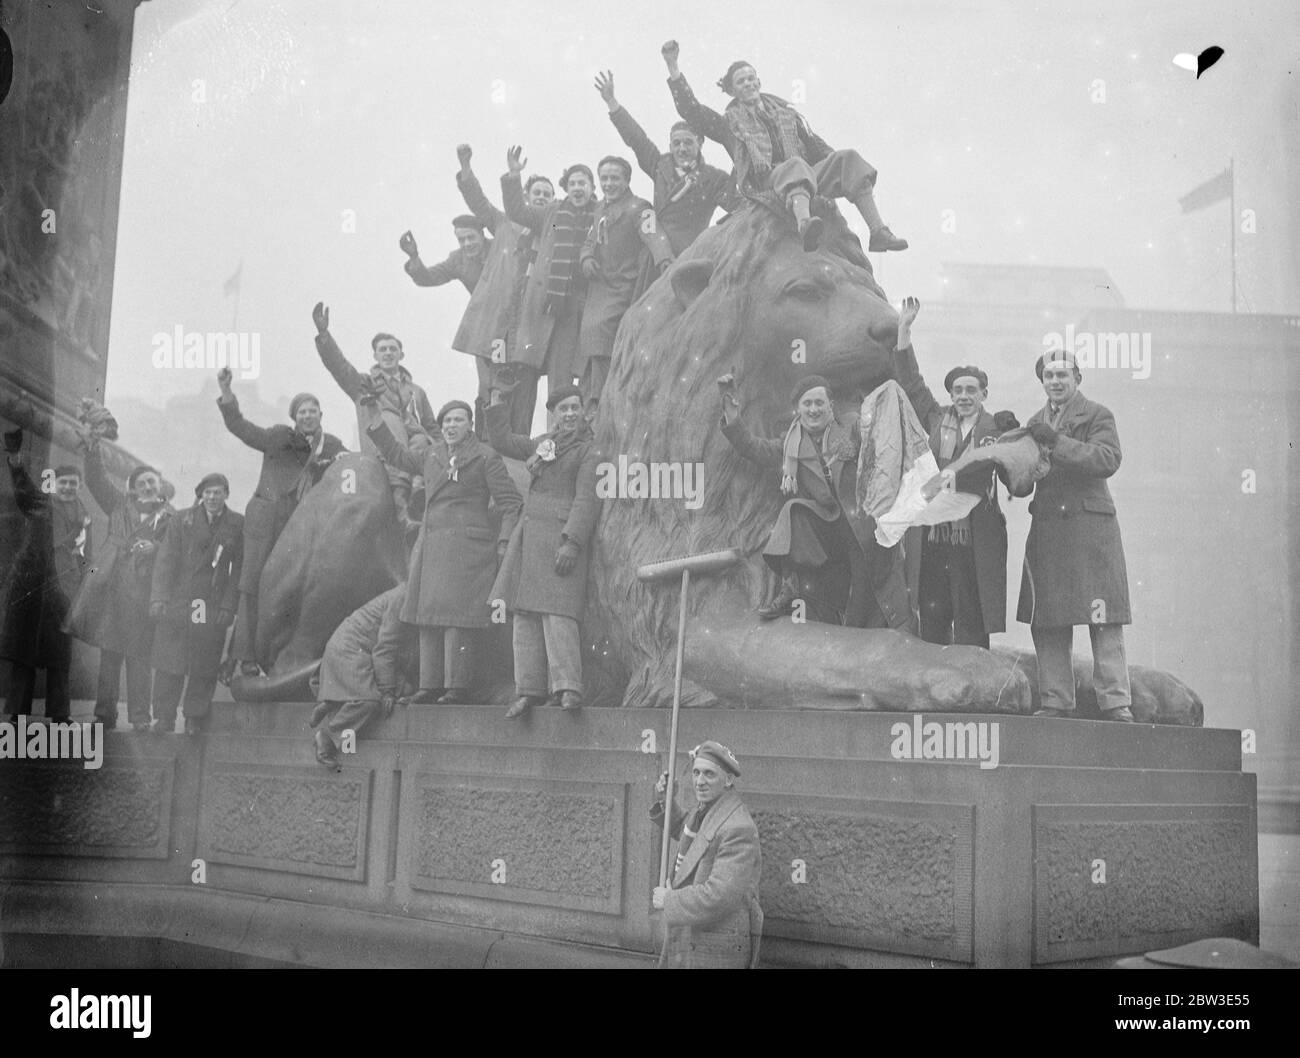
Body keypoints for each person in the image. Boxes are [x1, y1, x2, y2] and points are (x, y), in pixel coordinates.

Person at [661, 40, 907, 254]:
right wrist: (673, 67)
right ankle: (804, 225)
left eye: (750, 78)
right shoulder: (729, 123)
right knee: (795, 166)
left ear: (758, 81)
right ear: (733, 90)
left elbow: (817, 146)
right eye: (740, 82)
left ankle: (878, 231)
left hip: (804, 175)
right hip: (765, 184)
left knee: (848, 158)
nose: (747, 84)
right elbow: (691, 110)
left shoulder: (788, 114)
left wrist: (838, 172)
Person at [718, 372, 912, 631]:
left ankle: (868, 636)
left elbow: (882, 448)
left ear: (830, 406)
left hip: (862, 528)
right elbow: (755, 449)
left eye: (819, 403)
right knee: (794, 510)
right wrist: (733, 418)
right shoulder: (791, 444)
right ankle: (790, 586)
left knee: (866, 602)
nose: (813, 409)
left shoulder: (852, 426)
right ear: (797, 409)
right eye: (807, 404)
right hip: (827, 530)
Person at [365, 398, 521, 703]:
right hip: (433, 546)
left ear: (470, 425)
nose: (451, 426)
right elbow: (396, 454)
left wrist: (503, 544)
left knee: (457, 619)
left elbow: (512, 504)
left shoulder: (486, 457)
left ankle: (456, 687)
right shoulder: (432, 454)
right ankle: (430, 685)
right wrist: (374, 418)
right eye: (447, 421)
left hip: (469, 550)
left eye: (458, 421)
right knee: (428, 615)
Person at [891, 297, 1017, 647]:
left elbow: (1015, 476)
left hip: (975, 535)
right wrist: (904, 330)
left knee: (972, 611)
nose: (963, 396)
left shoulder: (996, 428)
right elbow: (912, 384)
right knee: (932, 609)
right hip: (934, 536)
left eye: (971, 390)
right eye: (957, 390)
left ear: (984, 394)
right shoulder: (935, 419)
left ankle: (975, 689)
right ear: (950, 394)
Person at [1018, 349, 1134, 722]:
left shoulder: (1098, 415)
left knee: (1103, 617)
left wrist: (1055, 442)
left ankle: (1116, 702)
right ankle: (1055, 701)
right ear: (1042, 382)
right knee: (1048, 618)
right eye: (1049, 376)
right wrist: (1006, 451)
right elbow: (1022, 482)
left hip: (1090, 532)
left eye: (1062, 375)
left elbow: (1107, 459)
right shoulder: (1034, 422)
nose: (1055, 381)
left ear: (1077, 379)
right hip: (1049, 532)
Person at [216, 367, 345, 676]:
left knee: (289, 586)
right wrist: (226, 391)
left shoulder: (332, 445)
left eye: (313, 411)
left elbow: (350, 469)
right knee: (252, 584)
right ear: (294, 416)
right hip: (265, 519)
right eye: (302, 411)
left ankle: (276, 656)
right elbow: (238, 426)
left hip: (299, 525)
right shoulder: (277, 437)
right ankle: (244, 657)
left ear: (321, 415)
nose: (308, 416)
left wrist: (343, 461)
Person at [484, 382, 599, 718]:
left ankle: (568, 688)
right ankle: (529, 690)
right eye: (563, 409)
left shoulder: (590, 451)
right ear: (553, 414)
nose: (570, 414)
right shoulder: (542, 445)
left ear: (583, 412)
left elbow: (587, 500)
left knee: (559, 613)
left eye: (575, 407)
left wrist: (572, 542)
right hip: (530, 537)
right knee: (524, 614)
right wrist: (496, 404)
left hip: (560, 539)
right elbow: (503, 441)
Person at [64, 436, 174, 731]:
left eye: (152, 482)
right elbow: (96, 479)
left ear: (160, 486)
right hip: (112, 592)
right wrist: (91, 447)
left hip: (145, 597)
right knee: (109, 657)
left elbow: (179, 553)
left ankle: (139, 718)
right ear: (133, 490)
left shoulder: (172, 518)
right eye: (142, 484)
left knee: (140, 658)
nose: (148, 488)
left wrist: (157, 549)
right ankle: (104, 715)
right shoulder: (117, 504)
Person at [311, 303, 436, 538]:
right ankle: (402, 511)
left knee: (422, 436)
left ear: (401, 354)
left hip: (415, 449)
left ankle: (418, 488)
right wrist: (324, 335)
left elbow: (431, 426)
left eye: (392, 349)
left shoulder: (417, 391)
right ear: (375, 356)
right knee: (390, 420)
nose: (388, 353)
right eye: (382, 349)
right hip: (385, 446)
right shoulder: (364, 384)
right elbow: (339, 367)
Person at [452, 143, 548, 433]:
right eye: (536, 193)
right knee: (491, 385)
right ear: (526, 198)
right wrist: (467, 169)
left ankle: (517, 445)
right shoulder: (504, 223)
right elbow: (478, 201)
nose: (541, 198)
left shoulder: (554, 232)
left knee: (525, 388)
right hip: (497, 326)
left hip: (529, 326)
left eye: (547, 194)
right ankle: (483, 442)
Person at [593, 70, 741, 254]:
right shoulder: (659, 165)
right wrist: (611, 102)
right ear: (670, 146)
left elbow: (737, 209)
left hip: (689, 256)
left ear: (700, 143)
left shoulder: (715, 178)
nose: (682, 149)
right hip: (655, 253)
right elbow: (636, 138)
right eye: (676, 143)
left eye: (688, 142)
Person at [1, 430, 91, 721]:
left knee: (60, 659)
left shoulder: (84, 515)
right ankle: (15, 716)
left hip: (63, 593)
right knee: (24, 658)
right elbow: (24, 491)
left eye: (73, 484)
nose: (67, 487)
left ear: (79, 487)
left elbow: (86, 558)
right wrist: (15, 460)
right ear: (55, 485)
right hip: (32, 590)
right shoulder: (43, 504)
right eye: (63, 483)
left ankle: (60, 715)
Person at [650, 740, 763, 969]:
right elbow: (688, 834)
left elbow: (718, 897)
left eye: (709, 774)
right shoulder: (710, 809)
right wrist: (667, 800)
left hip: (714, 950)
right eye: (696, 772)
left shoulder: (737, 826)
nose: (700, 782)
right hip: (693, 939)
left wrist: (668, 900)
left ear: (729, 780)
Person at [577, 155, 674, 413]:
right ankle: (591, 401)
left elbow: (654, 234)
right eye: (604, 178)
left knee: (601, 331)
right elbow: (590, 240)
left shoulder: (639, 207)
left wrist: (665, 260)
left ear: (627, 180)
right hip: (598, 287)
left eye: (615, 178)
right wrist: (586, 257)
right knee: (590, 343)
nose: (609, 184)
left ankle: (602, 401)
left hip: (623, 285)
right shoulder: (599, 208)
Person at [147, 473, 243, 734]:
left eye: (218, 492)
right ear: (201, 495)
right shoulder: (182, 519)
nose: (212, 498)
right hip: (180, 601)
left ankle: (194, 717)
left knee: (204, 662)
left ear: (226, 494)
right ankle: (164, 717)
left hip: (211, 604)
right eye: (208, 493)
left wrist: (228, 605)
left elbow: (238, 571)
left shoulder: (236, 523)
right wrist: (159, 597)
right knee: (170, 661)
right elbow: (166, 559)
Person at [501, 146, 598, 400]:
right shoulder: (553, 213)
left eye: (583, 183)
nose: (578, 188)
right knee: (526, 369)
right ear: (566, 188)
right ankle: (522, 435)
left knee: (562, 373)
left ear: (591, 187)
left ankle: (560, 434)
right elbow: (517, 211)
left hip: (578, 303)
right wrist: (513, 176)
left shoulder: (599, 214)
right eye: (573, 183)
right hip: (548, 300)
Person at [311, 584, 413, 769]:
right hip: (349, 649)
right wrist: (387, 691)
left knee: (406, 690)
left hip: (360, 651)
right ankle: (327, 738)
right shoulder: (403, 598)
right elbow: (384, 651)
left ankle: (333, 703)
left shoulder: (408, 594)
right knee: (370, 701)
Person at [400, 213, 493, 416]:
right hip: (486, 331)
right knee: (487, 385)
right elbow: (428, 278)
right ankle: (485, 438)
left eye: (471, 237)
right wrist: (414, 257)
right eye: (461, 240)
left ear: (482, 235)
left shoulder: (499, 249)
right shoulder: (457, 259)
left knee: (512, 384)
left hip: (514, 326)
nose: (467, 244)